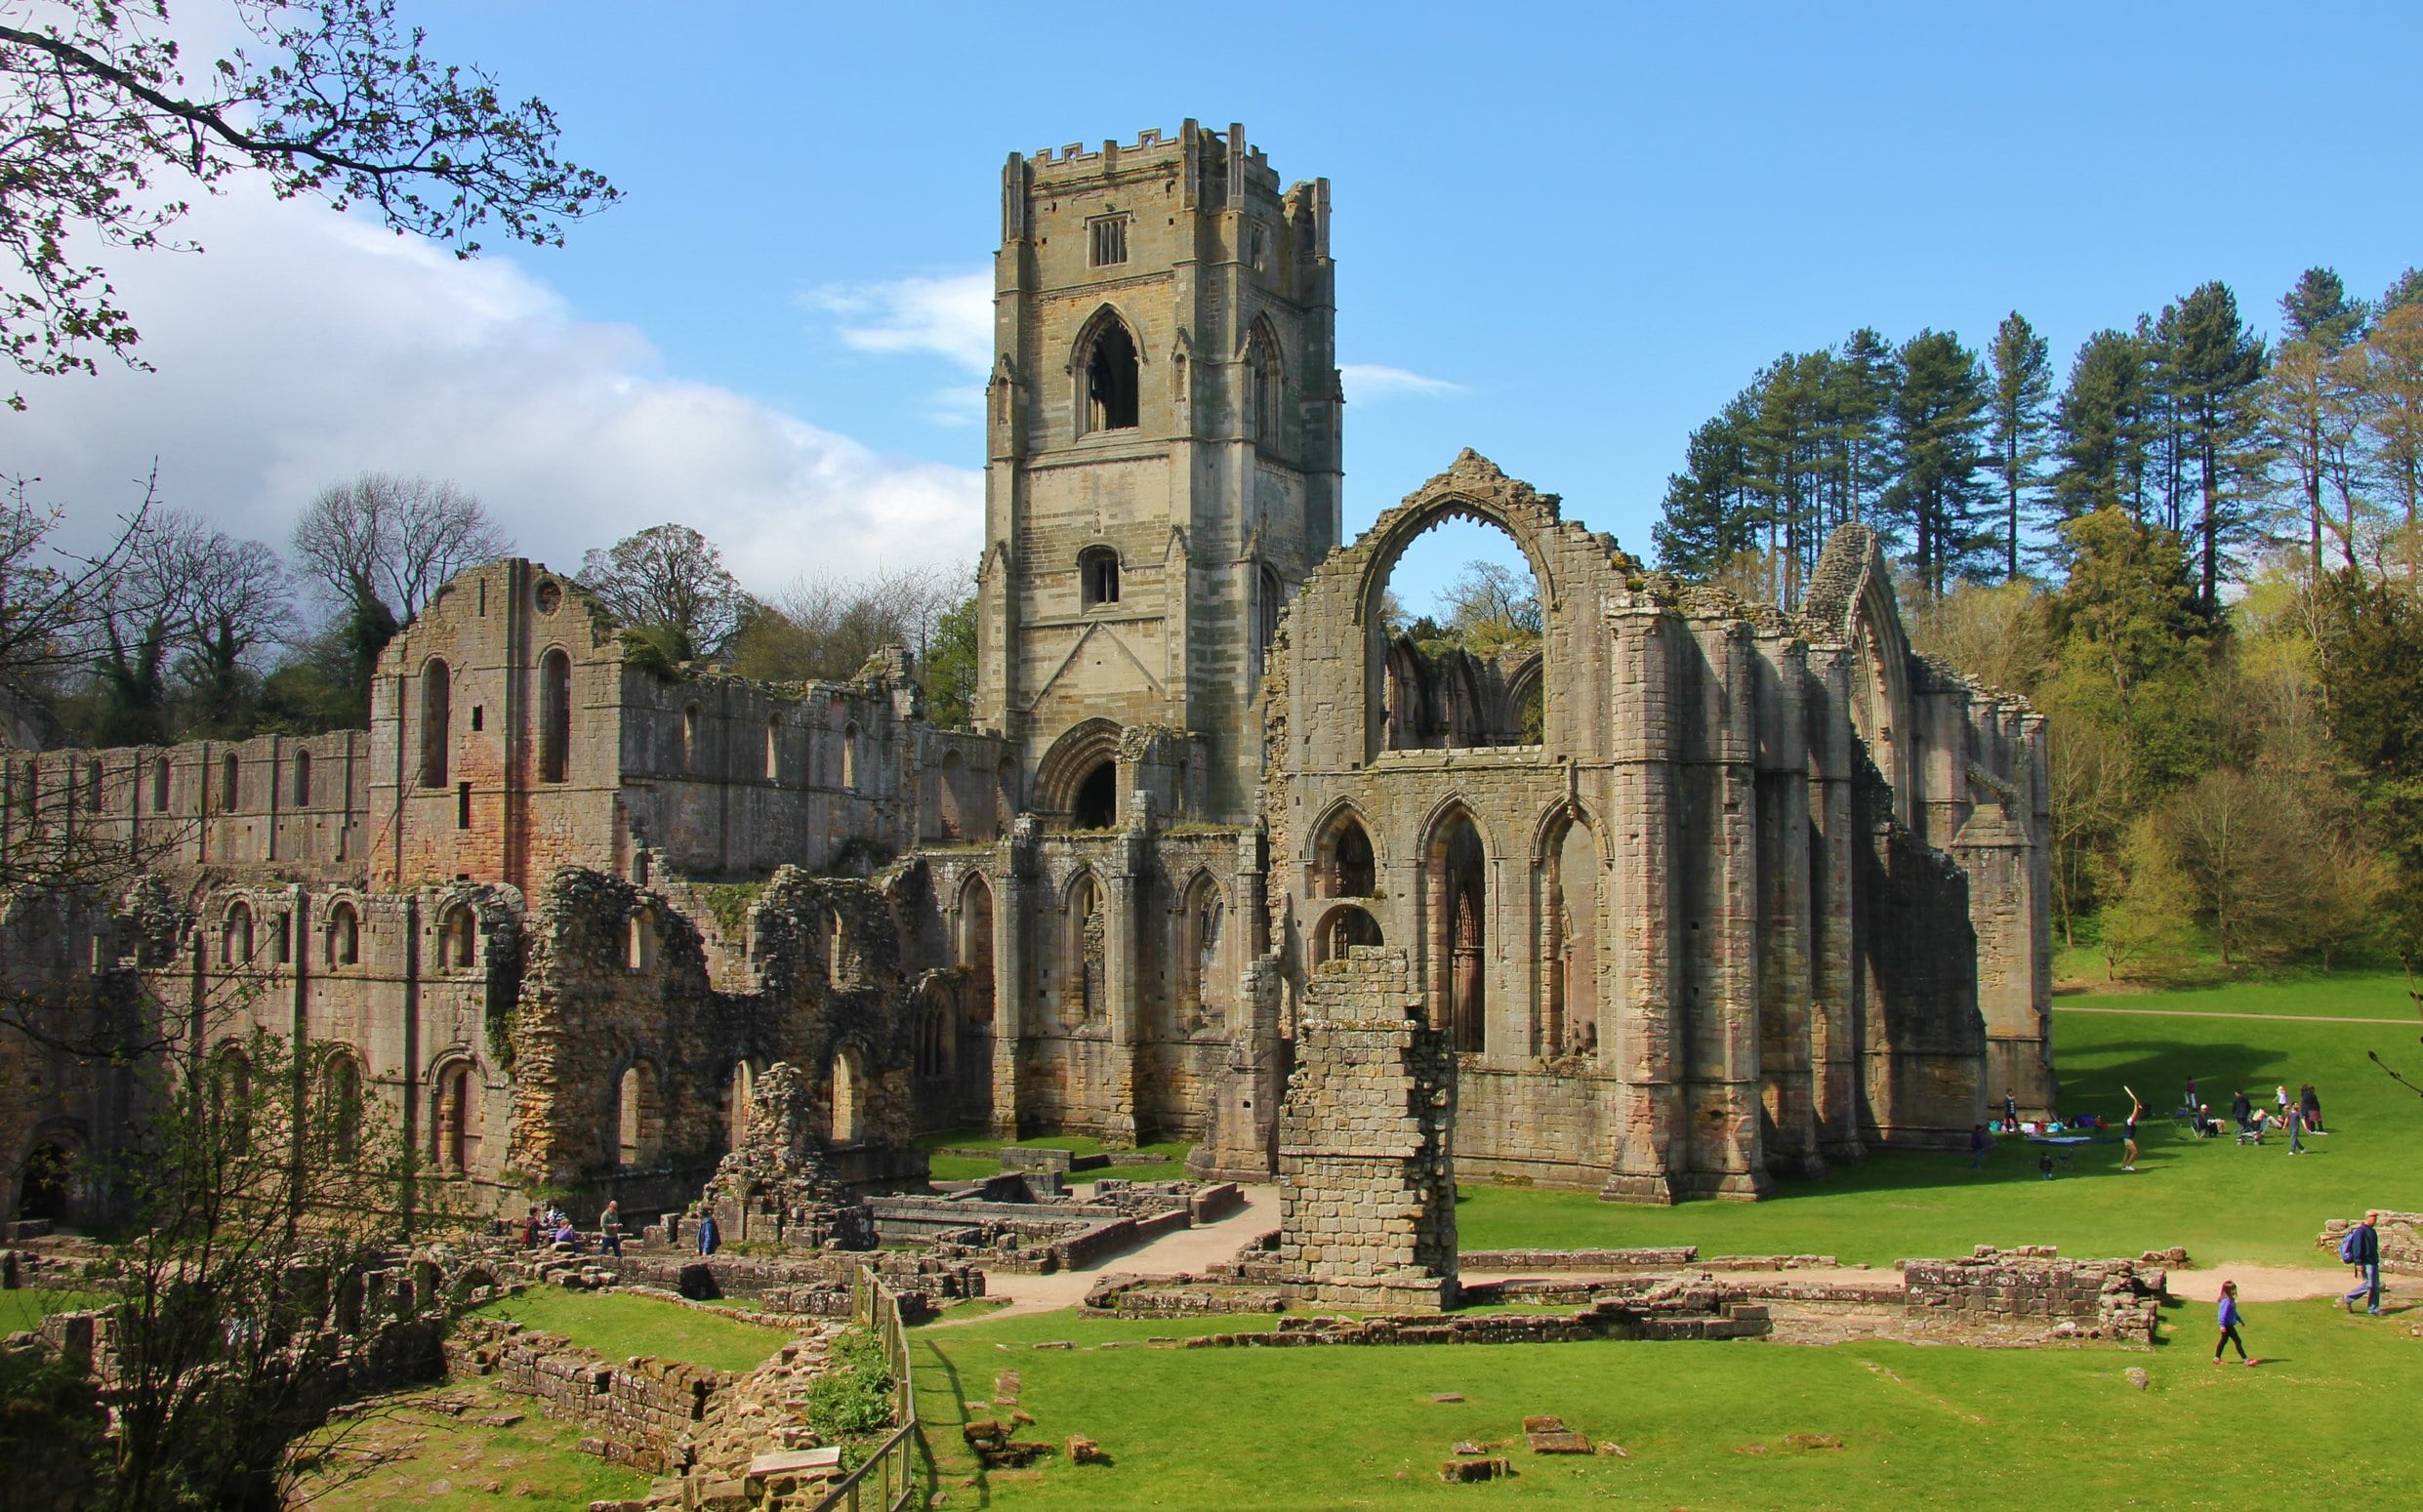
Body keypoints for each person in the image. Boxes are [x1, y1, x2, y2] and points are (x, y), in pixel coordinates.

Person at [2343, 1210, 2383, 1316]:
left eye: (2376, 1217)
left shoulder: (2372, 1231)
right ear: (2367, 1217)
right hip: (2365, 1262)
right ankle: (2349, 1298)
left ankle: (2373, 1309)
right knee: (2370, 1285)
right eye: (2373, 1217)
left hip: (2373, 1262)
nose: (2375, 1220)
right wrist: (2359, 1263)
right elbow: (2357, 1248)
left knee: (2375, 1286)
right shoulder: (2361, 1231)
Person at [2214, 1280, 2254, 1366]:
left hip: (2229, 1324)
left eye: (2234, 1289)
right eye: (2231, 1290)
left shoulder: (2231, 1300)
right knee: (2237, 1341)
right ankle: (2246, 1360)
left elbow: (2233, 1312)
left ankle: (2216, 1359)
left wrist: (2240, 1320)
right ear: (2226, 1290)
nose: (2233, 1291)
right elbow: (2222, 1314)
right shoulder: (2226, 1301)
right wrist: (2222, 1325)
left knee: (2223, 1341)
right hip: (2227, 1325)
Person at [2121, 1087, 2143, 1172]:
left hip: (2126, 1139)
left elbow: (2135, 1113)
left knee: (2127, 1153)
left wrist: (2136, 1105)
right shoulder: (2130, 1121)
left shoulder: (2128, 1121)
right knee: (2135, 1152)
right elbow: (2135, 1113)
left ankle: (2124, 1166)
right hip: (2129, 1139)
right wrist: (2136, 1105)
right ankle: (2128, 1165)